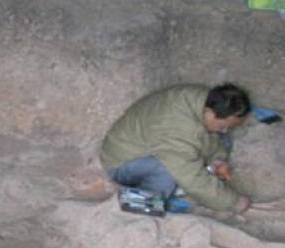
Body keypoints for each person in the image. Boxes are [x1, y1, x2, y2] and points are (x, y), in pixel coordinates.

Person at [100, 83, 252, 213]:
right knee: (168, 172)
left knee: (224, 140)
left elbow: (207, 135)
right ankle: (135, 202)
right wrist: (233, 202)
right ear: (210, 114)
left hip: (152, 142)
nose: (224, 129)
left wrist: (217, 159)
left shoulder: (204, 100)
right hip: (122, 161)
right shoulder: (177, 128)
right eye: (223, 125)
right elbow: (190, 177)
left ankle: (175, 188)